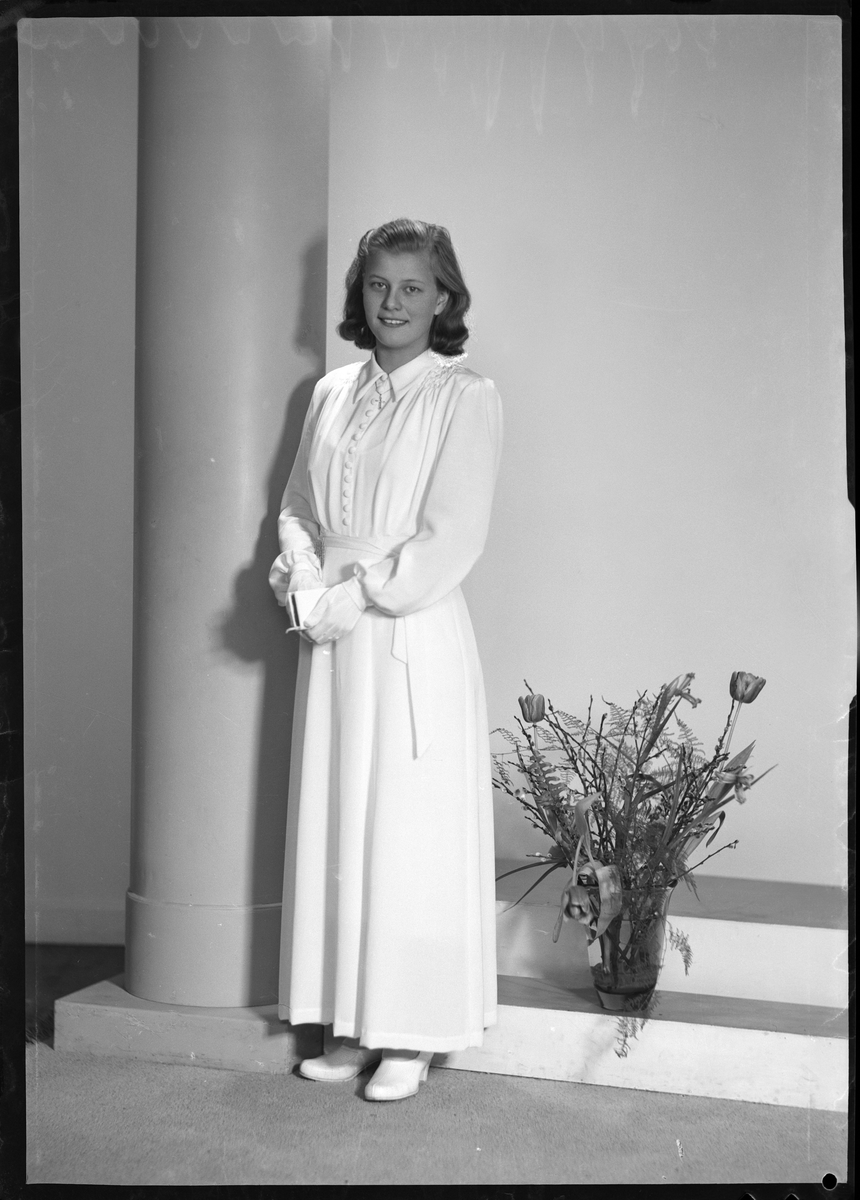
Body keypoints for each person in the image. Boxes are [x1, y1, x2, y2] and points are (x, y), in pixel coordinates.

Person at [268, 218, 502, 1102]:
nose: (393, 302)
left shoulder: (465, 396)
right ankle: (350, 1024)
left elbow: (451, 535)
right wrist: (303, 578)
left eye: (412, 287)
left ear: (444, 298)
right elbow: (298, 504)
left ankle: (410, 1033)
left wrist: (355, 595)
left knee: (408, 829)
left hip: (407, 632)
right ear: (358, 295)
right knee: (340, 823)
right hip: (330, 635)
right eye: (378, 285)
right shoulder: (331, 391)